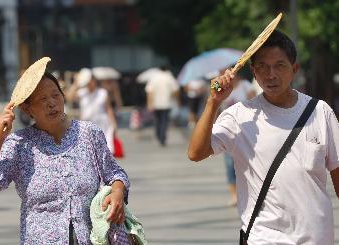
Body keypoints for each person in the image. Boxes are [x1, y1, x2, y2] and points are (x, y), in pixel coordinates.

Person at [188, 30, 339, 244]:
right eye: (262, 67)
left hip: (317, 237)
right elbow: (196, 153)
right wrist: (213, 103)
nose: (271, 75)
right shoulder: (239, 115)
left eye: (279, 65)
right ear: (253, 72)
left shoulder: (320, 112)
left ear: (294, 69)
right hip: (264, 237)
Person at [0, 72, 130, 244]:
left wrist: (117, 192)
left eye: (56, 95)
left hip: (90, 238)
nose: (51, 103)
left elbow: (115, 174)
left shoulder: (88, 134)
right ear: (27, 109)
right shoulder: (18, 144)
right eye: (42, 99)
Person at [218, 66, 256, 206]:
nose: (224, 75)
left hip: (247, 129)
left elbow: (255, 103)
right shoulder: (221, 88)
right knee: (229, 164)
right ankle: (234, 195)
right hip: (227, 130)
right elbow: (215, 107)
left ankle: (250, 193)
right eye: (221, 73)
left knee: (248, 162)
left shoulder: (246, 85)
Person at [66, 68, 117, 152]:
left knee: (104, 150)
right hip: (86, 126)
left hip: (102, 125)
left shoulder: (102, 93)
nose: (90, 83)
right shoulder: (82, 92)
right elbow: (69, 97)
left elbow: (108, 109)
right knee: (89, 151)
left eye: (92, 80)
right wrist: (76, 83)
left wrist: (114, 124)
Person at [145, 66, 179, 146]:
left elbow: (149, 92)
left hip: (156, 103)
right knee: (164, 121)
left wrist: (149, 104)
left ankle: (158, 135)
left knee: (157, 121)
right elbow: (175, 90)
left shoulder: (154, 78)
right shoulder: (169, 77)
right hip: (166, 103)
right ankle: (162, 137)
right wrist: (172, 96)